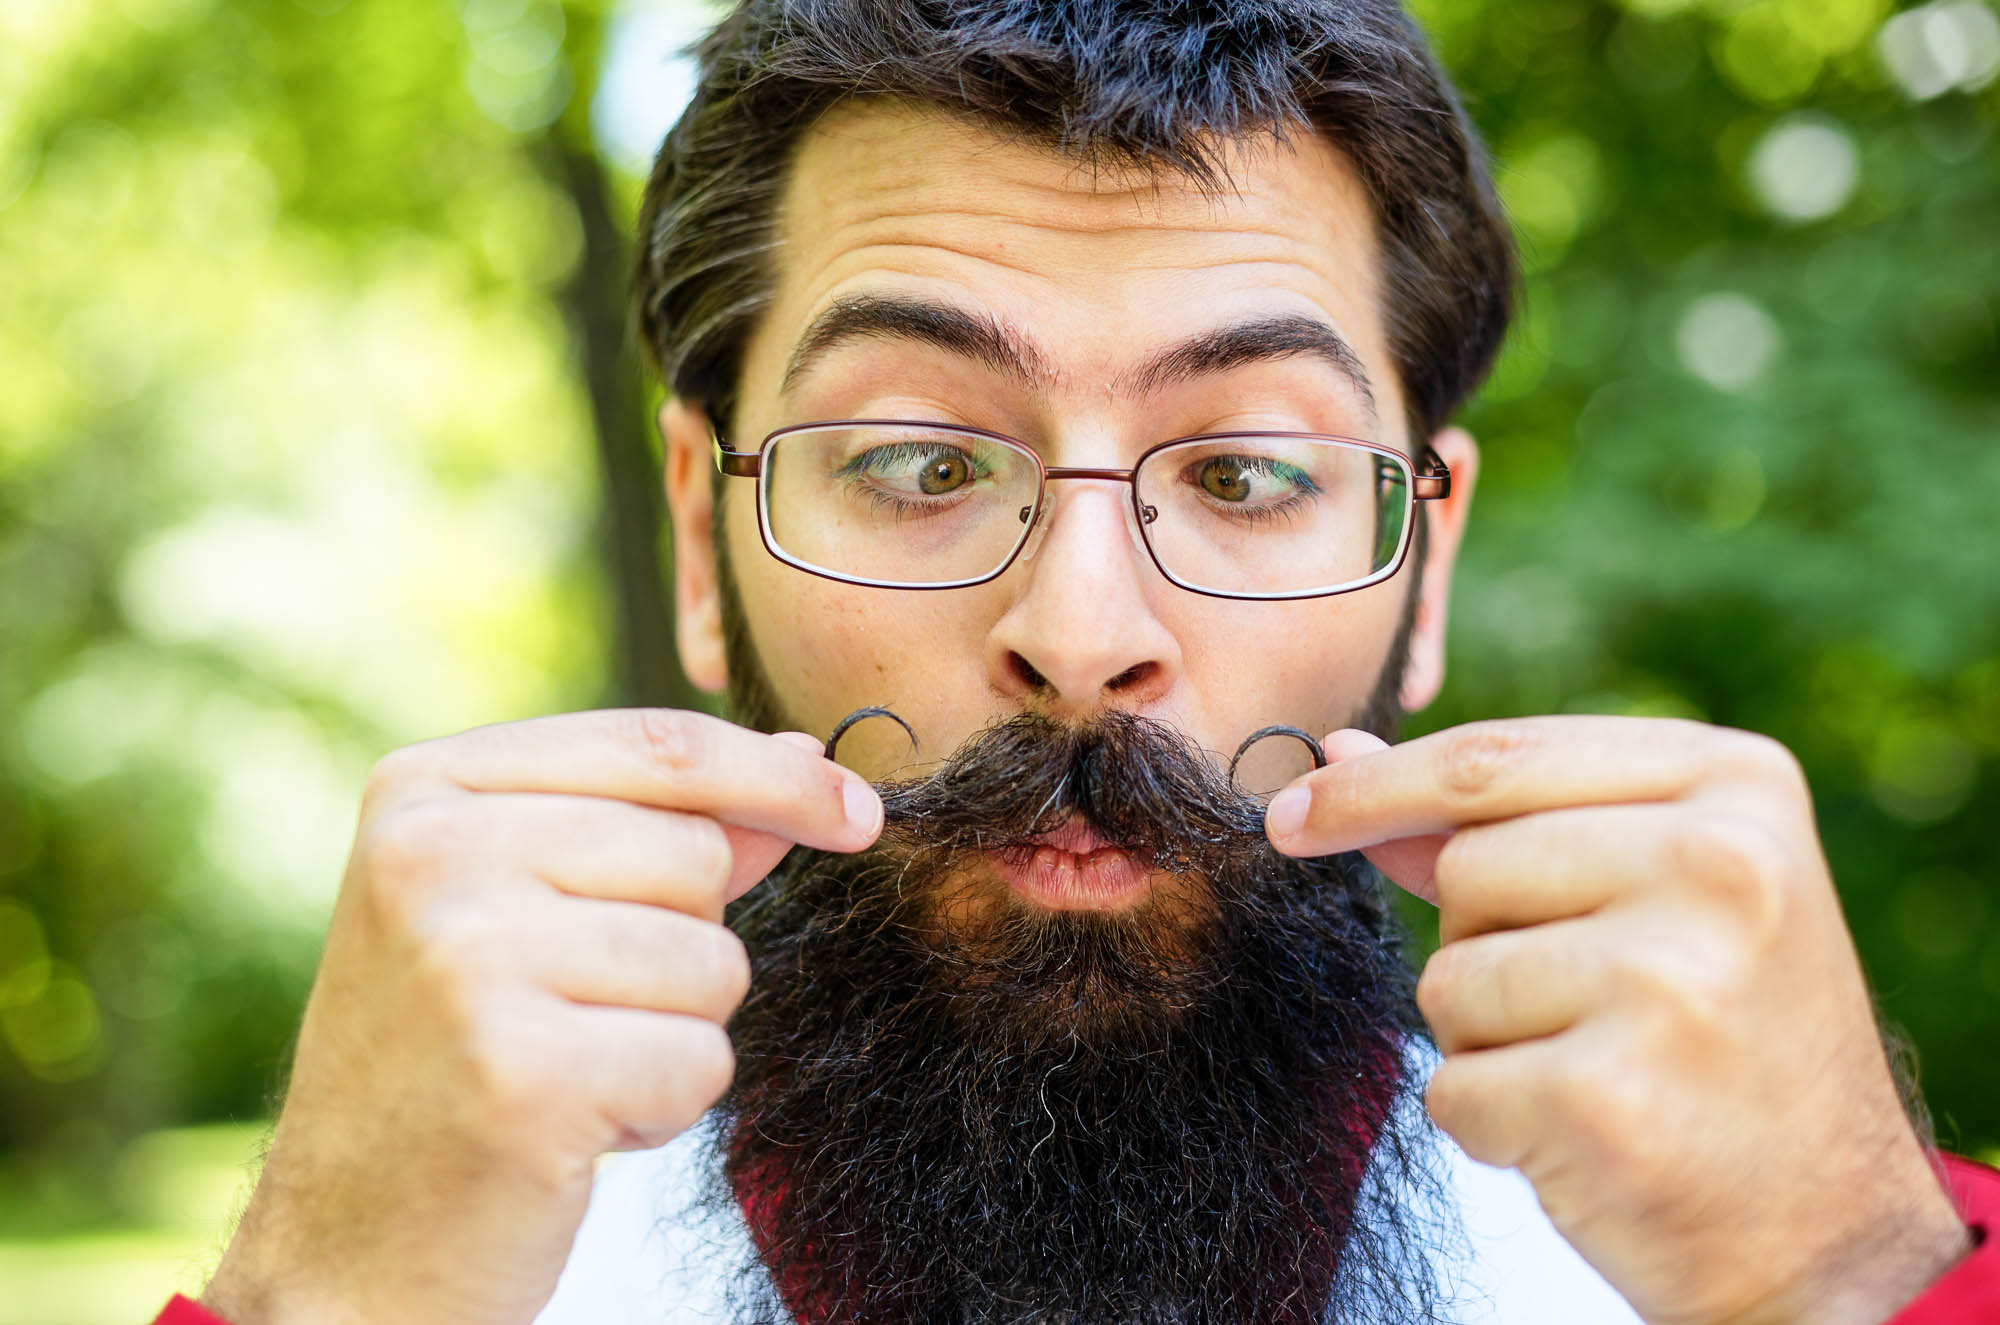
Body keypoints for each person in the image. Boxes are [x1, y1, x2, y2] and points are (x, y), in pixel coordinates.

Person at [155, 2, 1998, 1322]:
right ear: (703, 540)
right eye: (917, 462)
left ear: (1421, 565)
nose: (1086, 633)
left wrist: (1858, 1276)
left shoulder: (1776, 1258)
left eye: (1252, 471)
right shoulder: (434, 1268)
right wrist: (319, 1294)